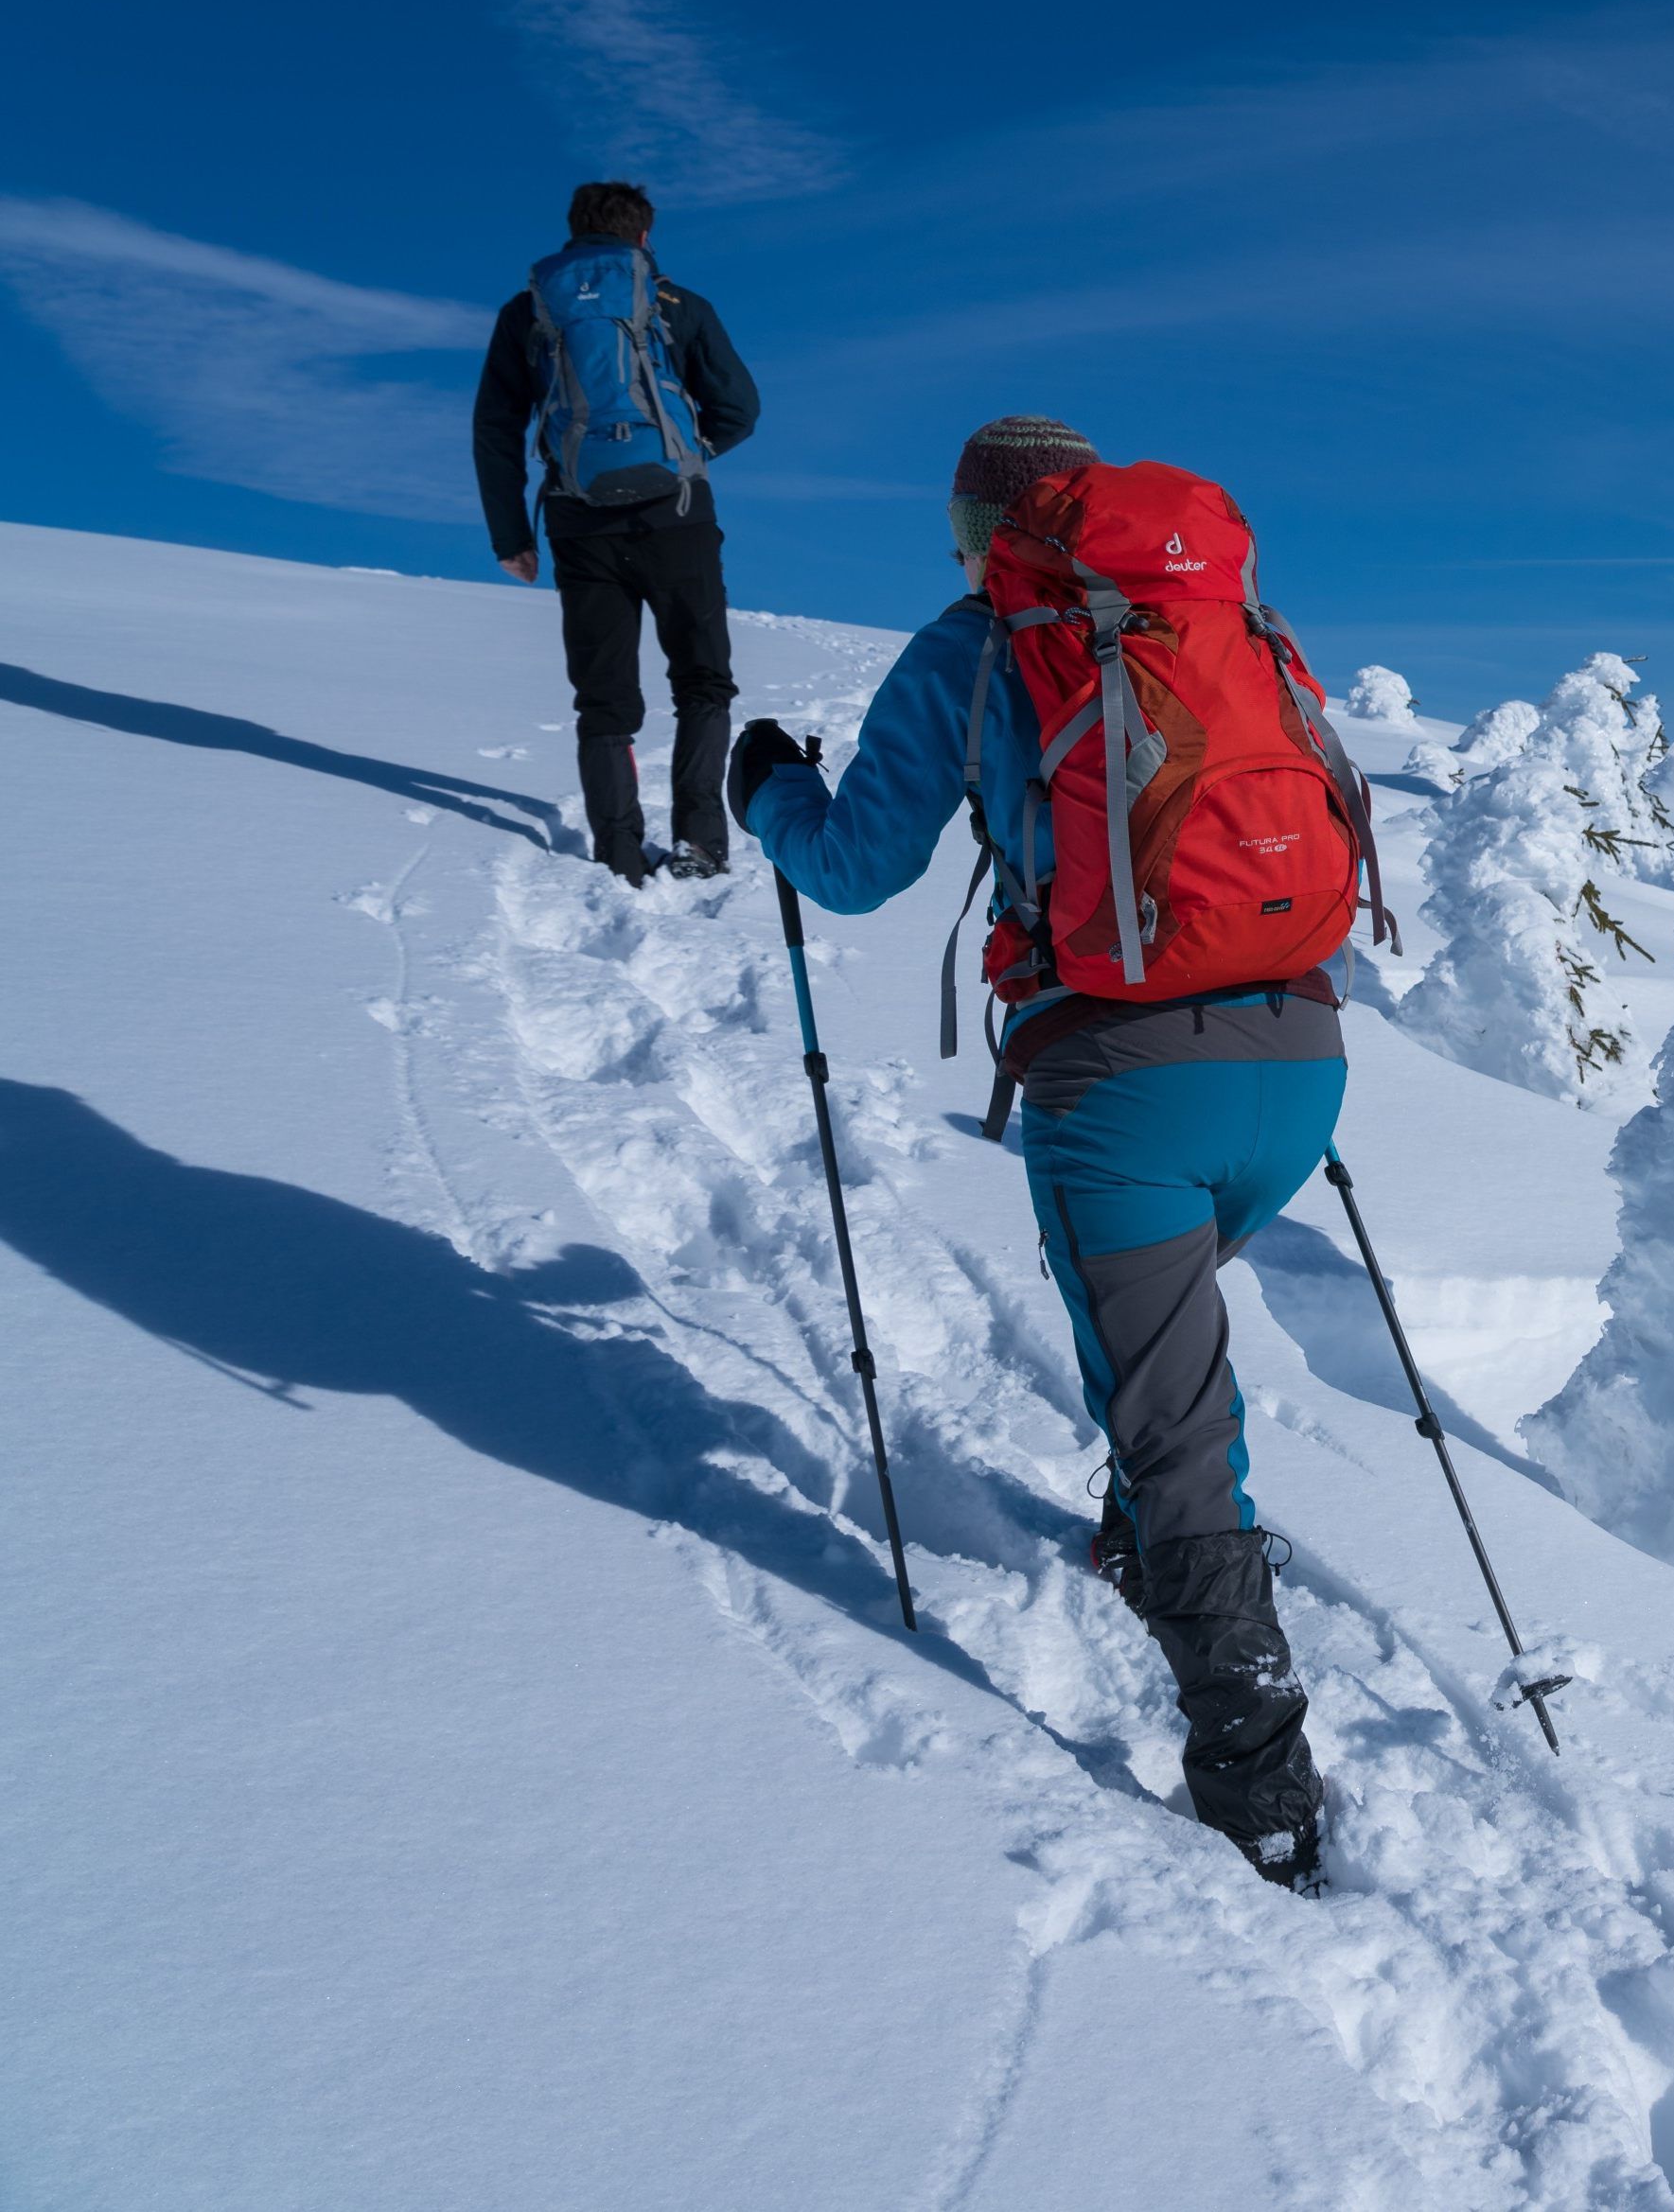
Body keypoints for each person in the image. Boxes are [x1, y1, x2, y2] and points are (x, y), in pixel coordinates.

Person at [726, 416, 1340, 1893]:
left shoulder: (978, 636)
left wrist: (766, 791)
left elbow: (857, 864)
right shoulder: (1217, 618)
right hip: (1300, 1058)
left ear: (980, 528)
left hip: (1122, 1079)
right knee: (1167, 1364)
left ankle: (1259, 1789)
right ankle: (1141, 1541)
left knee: (1176, 1421)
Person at [473, 180, 762, 886]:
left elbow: (495, 429)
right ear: (642, 236)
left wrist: (512, 534)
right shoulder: (674, 304)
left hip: (579, 522)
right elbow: (739, 408)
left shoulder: (530, 312)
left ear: (573, 232)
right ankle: (700, 845)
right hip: (678, 516)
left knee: (603, 695)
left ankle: (619, 854)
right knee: (701, 681)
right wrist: (683, 455)